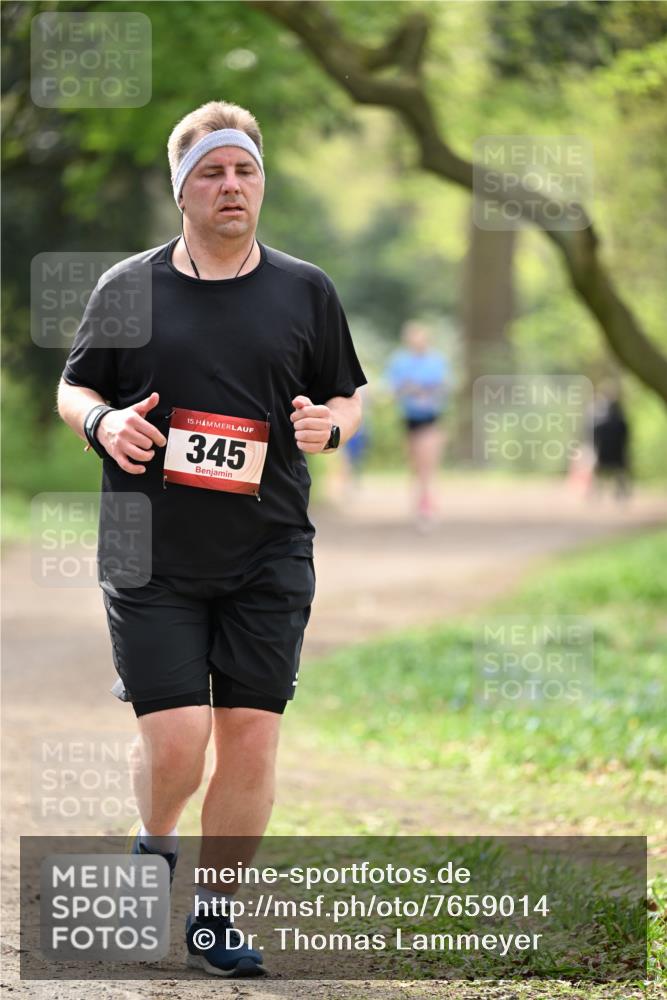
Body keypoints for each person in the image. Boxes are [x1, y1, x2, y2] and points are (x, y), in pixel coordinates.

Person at [56, 100, 366, 978]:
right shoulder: (128, 288)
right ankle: (154, 844)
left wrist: (330, 429)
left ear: (260, 181)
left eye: (245, 170)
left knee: (251, 734)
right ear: (181, 190)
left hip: (268, 549)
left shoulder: (306, 290)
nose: (232, 186)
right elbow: (73, 389)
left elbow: (346, 393)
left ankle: (215, 916)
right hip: (148, 548)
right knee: (181, 736)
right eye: (212, 172)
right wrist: (104, 423)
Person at [385, 321, 449, 527]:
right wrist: (408, 390)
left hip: (431, 419)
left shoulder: (436, 361)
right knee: (416, 465)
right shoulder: (400, 362)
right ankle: (421, 504)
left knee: (427, 463)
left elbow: (442, 388)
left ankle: (427, 507)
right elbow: (392, 389)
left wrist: (423, 391)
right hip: (409, 419)